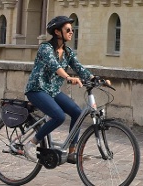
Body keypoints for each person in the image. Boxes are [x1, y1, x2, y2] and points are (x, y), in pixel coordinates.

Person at [20, 15, 106, 164]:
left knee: (77, 113)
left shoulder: (67, 52)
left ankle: (72, 151)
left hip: (52, 91)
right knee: (59, 116)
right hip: (37, 89)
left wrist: (95, 79)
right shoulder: (45, 48)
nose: (71, 32)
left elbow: (79, 68)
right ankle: (30, 144)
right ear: (57, 32)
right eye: (68, 29)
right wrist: (67, 77)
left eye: (72, 29)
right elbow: (55, 65)